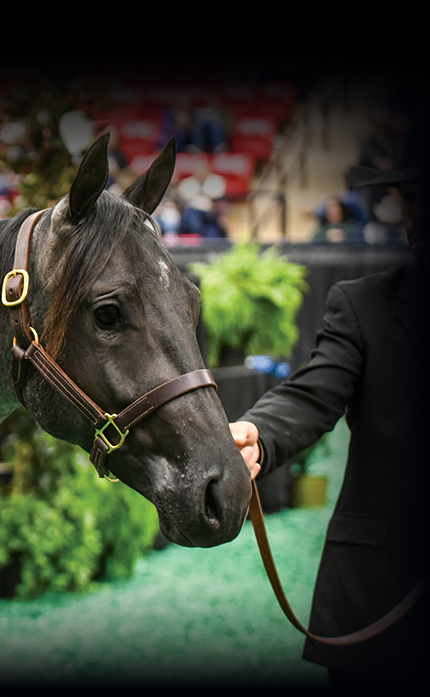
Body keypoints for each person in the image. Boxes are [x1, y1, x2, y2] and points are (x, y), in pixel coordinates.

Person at [230, 124, 427, 685]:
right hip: (381, 603)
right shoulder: (363, 304)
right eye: (407, 199)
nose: (413, 213)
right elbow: (312, 394)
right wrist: (258, 433)